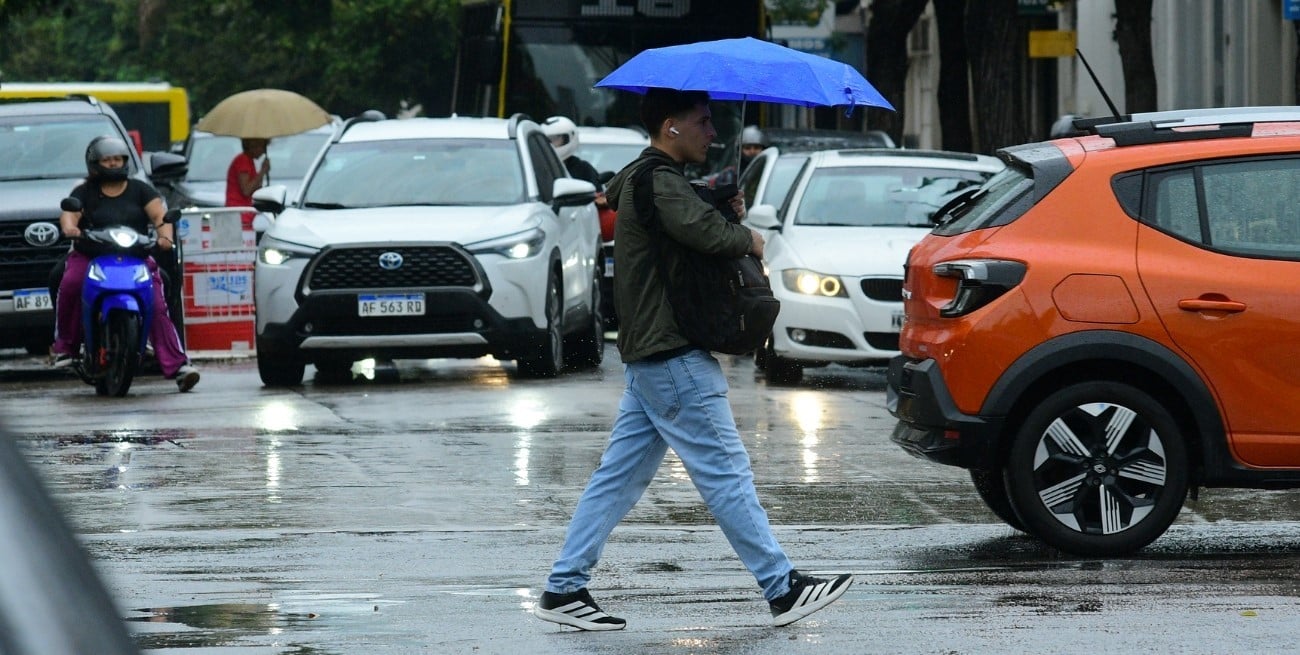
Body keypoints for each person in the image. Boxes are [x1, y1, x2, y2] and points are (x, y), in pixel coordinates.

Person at [534, 88, 852, 631]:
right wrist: (745, 236)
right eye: (702, 122)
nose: (713, 133)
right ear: (670, 126)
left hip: (651, 356)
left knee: (616, 480)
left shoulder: (644, 180)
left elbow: (687, 233)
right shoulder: (658, 180)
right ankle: (782, 588)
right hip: (674, 356)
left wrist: (723, 210)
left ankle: (564, 588)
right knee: (726, 474)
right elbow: (705, 235)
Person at [52, 136, 200, 392]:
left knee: (156, 301)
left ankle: (178, 365)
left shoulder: (140, 189)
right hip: (91, 256)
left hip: (135, 257)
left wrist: (165, 236)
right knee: (72, 283)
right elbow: (69, 215)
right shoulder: (84, 192)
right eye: (107, 159)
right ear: (95, 163)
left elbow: (159, 215)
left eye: (117, 159)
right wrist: (70, 228)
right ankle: (66, 348)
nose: (113, 163)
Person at [225, 137, 271, 229]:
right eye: (262, 147)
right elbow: (246, 190)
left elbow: (254, 187)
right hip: (239, 214)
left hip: (245, 214)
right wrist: (262, 171)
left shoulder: (249, 161)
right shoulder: (243, 160)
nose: (263, 152)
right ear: (253, 146)